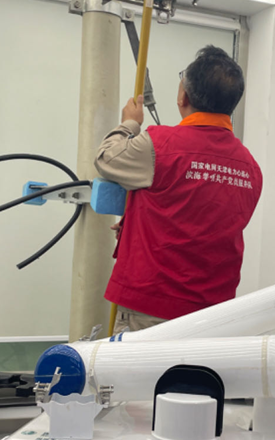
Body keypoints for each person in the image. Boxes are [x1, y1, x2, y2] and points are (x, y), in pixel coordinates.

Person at [94, 45, 263, 333]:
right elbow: (201, 219)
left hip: (151, 307)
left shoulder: (159, 145)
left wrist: (129, 124)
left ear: (183, 96)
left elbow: (106, 159)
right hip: (216, 315)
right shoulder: (250, 167)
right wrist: (138, 222)